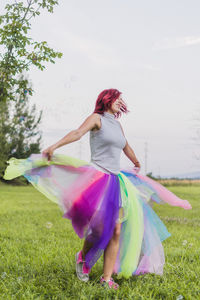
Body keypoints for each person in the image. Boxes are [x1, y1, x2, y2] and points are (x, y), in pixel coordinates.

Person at [3, 88, 192, 290]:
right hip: (97, 178)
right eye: (117, 99)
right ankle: (83, 258)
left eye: (122, 100)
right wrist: (54, 146)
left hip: (117, 180)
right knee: (100, 228)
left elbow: (125, 146)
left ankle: (106, 279)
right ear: (107, 99)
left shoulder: (118, 125)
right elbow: (77, 133)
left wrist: (135, 160)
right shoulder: (96, 118)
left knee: (116, 229)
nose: (121, 102)